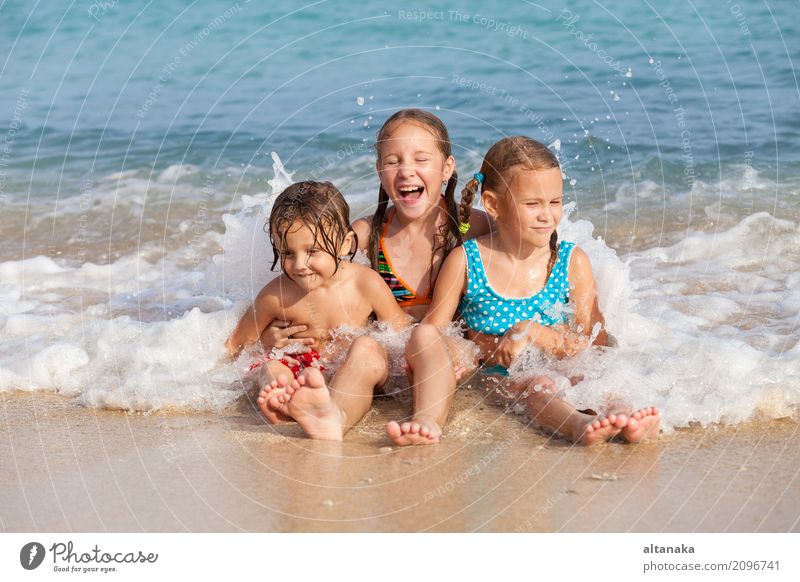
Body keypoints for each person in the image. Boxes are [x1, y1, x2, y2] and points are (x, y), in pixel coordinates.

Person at [390, 136, 660, 445]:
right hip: (504, 378)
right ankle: (579, 425)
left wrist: (534, 333)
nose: (547, 215)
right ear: (492, 204)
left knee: (598, 380)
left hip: (566, 362)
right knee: (537, 386)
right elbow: (436, 331)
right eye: (532, 204)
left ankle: (625, 416)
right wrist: (455, 355)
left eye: (554, 202)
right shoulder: (467, 261)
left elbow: (592, 341)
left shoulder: (571, 261)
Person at [225, 181, 410, 440]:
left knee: (367, 348)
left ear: (344, 245)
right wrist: (266, 340)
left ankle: (336, 417)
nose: (299, 265)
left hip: (350, 375)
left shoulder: (365, 284)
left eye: (312, 251)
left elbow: (401, 334)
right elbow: (235, 346)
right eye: (288, 253)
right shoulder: (275, 295)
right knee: (272, 367)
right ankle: (282, 400)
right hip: (303, 373)